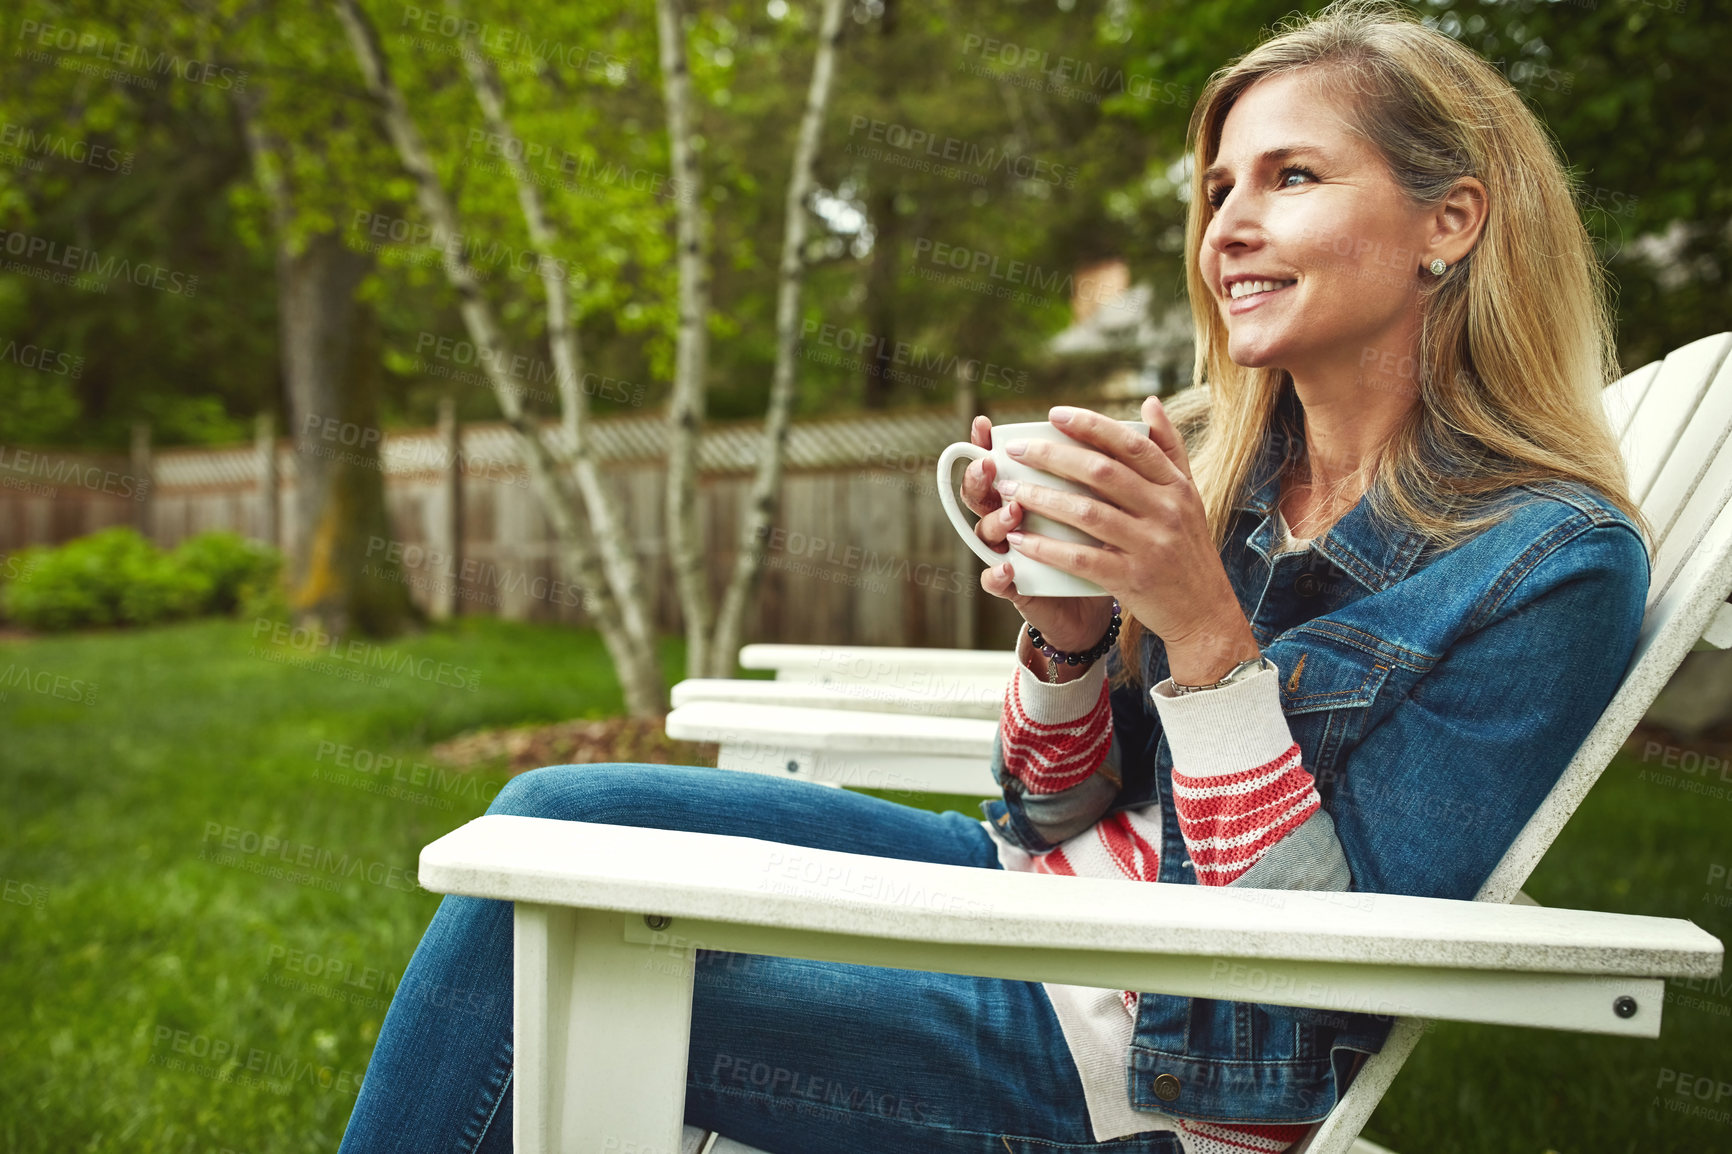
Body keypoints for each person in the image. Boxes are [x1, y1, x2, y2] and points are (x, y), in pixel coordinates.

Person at [337, 2, 1651, 1151]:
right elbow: (1039, 819)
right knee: (549, 816)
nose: (1230, 229)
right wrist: (1069, 640)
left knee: (521, 942)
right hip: (1030, 914)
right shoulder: (1245, 482)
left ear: (1450, 221)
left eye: (1290, 176)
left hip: (1139, 1068)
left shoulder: (1547, 564)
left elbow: (1310, 984)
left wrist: (1201, 631)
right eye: (1218, 191)